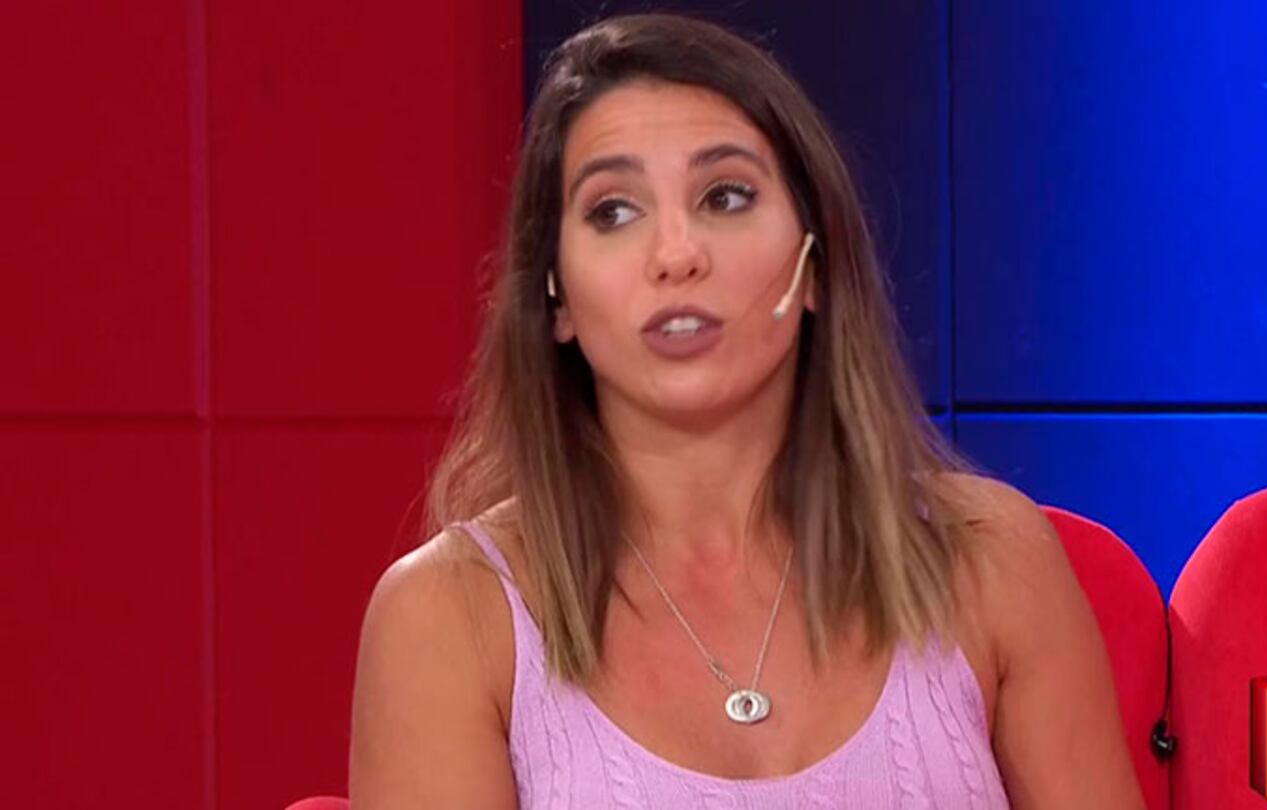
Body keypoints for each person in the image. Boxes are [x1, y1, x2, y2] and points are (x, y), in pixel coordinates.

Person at [349, 12, 1144, 809]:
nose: (676, 255)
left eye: (724, 196)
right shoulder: (449, 621)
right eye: (613, 211)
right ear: (554, 293)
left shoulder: (995, 564)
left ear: (815, 261)